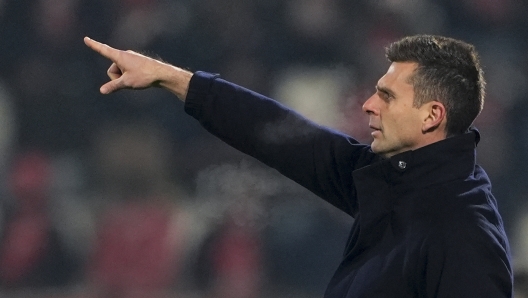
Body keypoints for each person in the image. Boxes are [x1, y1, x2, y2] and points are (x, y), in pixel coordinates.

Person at [83, 34, 513, 297]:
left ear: (432, 115)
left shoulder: (464, 233)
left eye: (387, 95)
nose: (367, 104)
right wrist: (172, 77)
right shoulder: (393, 180)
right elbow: (279, 135)